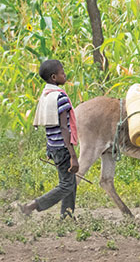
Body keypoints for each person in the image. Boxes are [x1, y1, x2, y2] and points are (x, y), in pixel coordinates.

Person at [20, 59, 79, 219]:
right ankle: (32, 205)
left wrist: (49, 148)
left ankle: (67, 216)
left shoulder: (46, 96)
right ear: (54, 77)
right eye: (62, 72)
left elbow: (48, 125)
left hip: (53, 146)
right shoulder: (60, 97)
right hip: (63, 148)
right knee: (66, 185)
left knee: (70, 183)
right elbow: (63, 128)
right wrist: (73, 155)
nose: (65, 74)